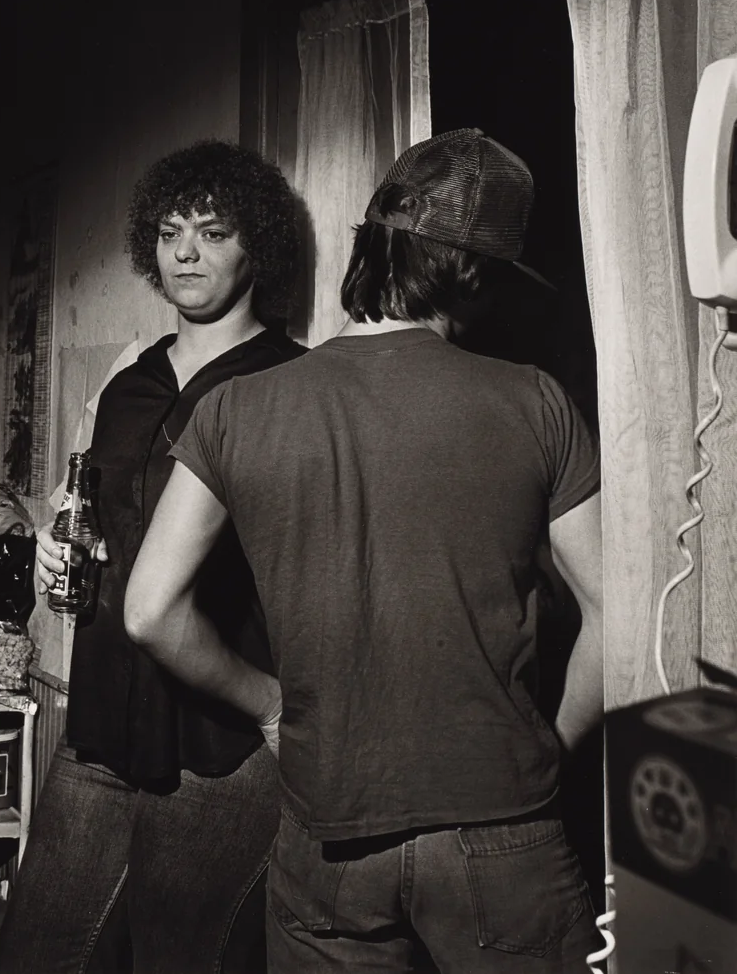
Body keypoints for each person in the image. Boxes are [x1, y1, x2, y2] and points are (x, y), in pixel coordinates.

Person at [124, 128, 605, 973]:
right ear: (471, 269)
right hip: (501, 829)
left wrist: (271, 705)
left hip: (326, 836)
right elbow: (618, 613)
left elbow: (149, 610)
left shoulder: (237, 408)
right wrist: (547, 752)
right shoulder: (536, 401)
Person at [0, 140, 306, 974]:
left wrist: (281, 709)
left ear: (257, 245)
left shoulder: (291, 384)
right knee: (32, 956)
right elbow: (90, 523)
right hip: (100, 728)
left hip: (221, 747)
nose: (186, 252)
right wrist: (59, 560)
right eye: (171, 232)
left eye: (211, 231)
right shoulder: (127, 382)